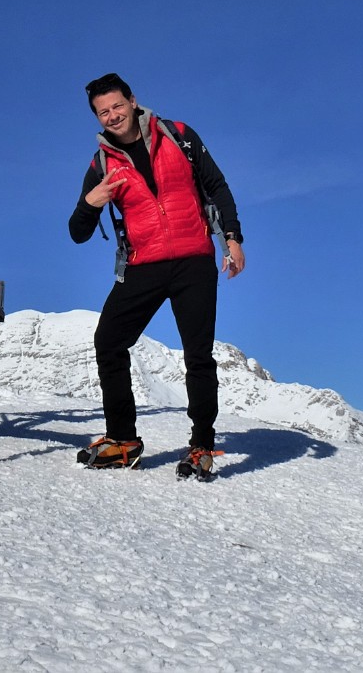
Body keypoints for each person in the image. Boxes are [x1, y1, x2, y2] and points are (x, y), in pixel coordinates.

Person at [68, 73, 244, 475]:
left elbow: (217, 186)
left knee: (198, 354)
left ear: (132, 100)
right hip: (142, 265)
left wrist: (232, 239)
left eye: (116, 106)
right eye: (103, 112)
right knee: (108, 341)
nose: (112, 116)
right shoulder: (102, 164)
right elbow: (77, 233)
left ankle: (202, 447)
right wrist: (91, 203)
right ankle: (123, 440)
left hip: (193, 260)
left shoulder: (179, 136)